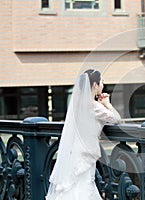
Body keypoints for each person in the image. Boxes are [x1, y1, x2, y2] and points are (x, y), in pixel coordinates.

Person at [46, 69, 121, 200]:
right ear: (94, 85)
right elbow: (116, 118)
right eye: (102, 82)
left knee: (73, 186)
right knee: (83, 188)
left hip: (75, 151)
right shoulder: (94, 106)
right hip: (86, 154)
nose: (103, 85)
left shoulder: (77, 104)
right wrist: (107, 104)